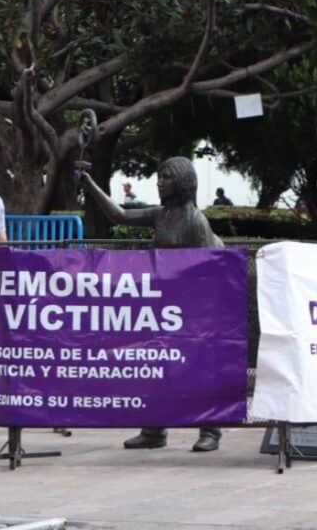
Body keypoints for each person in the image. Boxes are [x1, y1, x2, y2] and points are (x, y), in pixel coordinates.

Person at [80, 156, 223, 452]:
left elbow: (209, 269)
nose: (159, 182)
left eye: (167, 177)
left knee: (199, 369)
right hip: (165, 306)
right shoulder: (161, 214)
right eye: (159, 177)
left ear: (182, 182)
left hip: (193, 308)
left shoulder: (195, 221)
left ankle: (210, 429)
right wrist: (88, 183)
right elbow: (119, 215)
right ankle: (154, 429)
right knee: (157, 366)